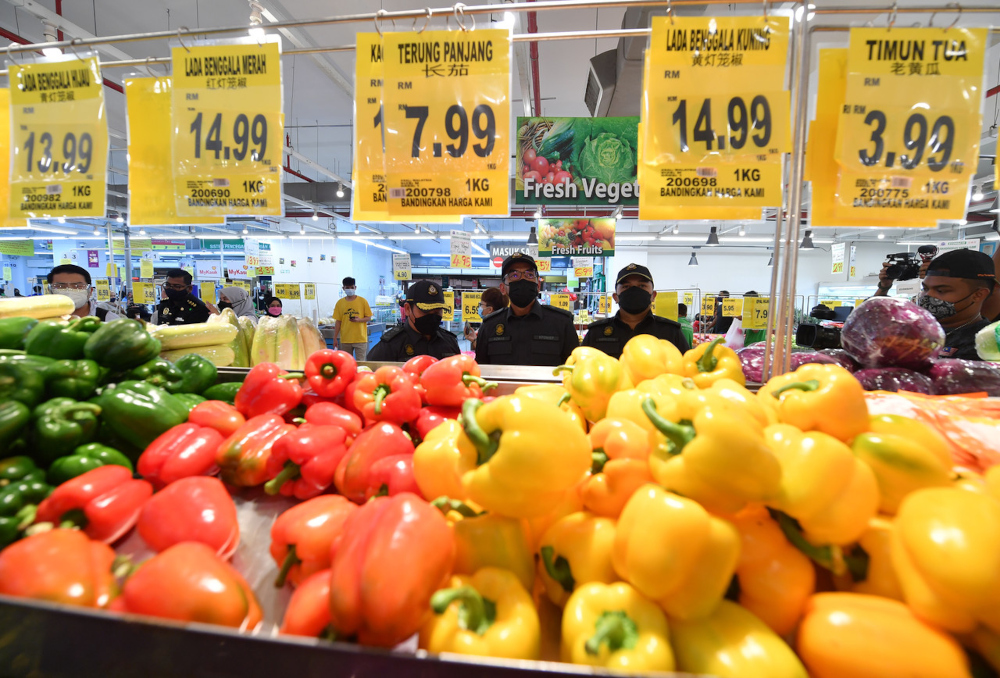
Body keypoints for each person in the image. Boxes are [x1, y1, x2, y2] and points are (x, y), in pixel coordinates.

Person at [476, 253, 579, 366]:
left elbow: (574, 370)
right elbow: (481, 371)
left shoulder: (562, 323)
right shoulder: (489, 326)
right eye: (514, 275)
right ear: (503, 288)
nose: (523, 279)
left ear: (538, 285)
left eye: (529, 275)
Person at [581, 263, 689, 357]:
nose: (634, 290)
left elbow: (687, 372)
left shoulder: (671, 332)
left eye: (642, 286)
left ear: (653, 296)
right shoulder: (596, 333)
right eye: (626, 287)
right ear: (615, 297)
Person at [917, 249, 996, 360]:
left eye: (941, 290)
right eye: (925, 289)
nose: (927, 296)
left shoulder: (986, 346)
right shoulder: (919, 330)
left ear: (978, 295)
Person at [368, 280, 461, 361]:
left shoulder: (450, 342)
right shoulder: (390, 346)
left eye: (437, 311)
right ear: (408, 309)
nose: (432, 317)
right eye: (426, 311)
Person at [46, 264, 119, 321]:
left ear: (90, 291)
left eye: (78, 286)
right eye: (60, 286)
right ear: (50, 290)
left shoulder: (109, 319)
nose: (69, 290)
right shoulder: (40, 320)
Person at [333, 277, 373, 361]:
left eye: (352, 287)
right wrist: (335, 337)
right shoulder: (340, 303)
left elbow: (369, 317)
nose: (350, 289)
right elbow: (338, 322)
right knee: (346, 363)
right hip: (345, 339)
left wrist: (359, 320)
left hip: (360, 339)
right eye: (347, 288)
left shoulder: (363, 301)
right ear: (343, 288)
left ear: (355, 287)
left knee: (361, 363)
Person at [465, 287, 508, 351]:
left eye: (481, 304)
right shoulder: (510, 324)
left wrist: (475, 341)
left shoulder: (486, 327)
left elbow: (482, 355)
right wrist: (474, 340)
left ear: (490, 309)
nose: (480, 308)